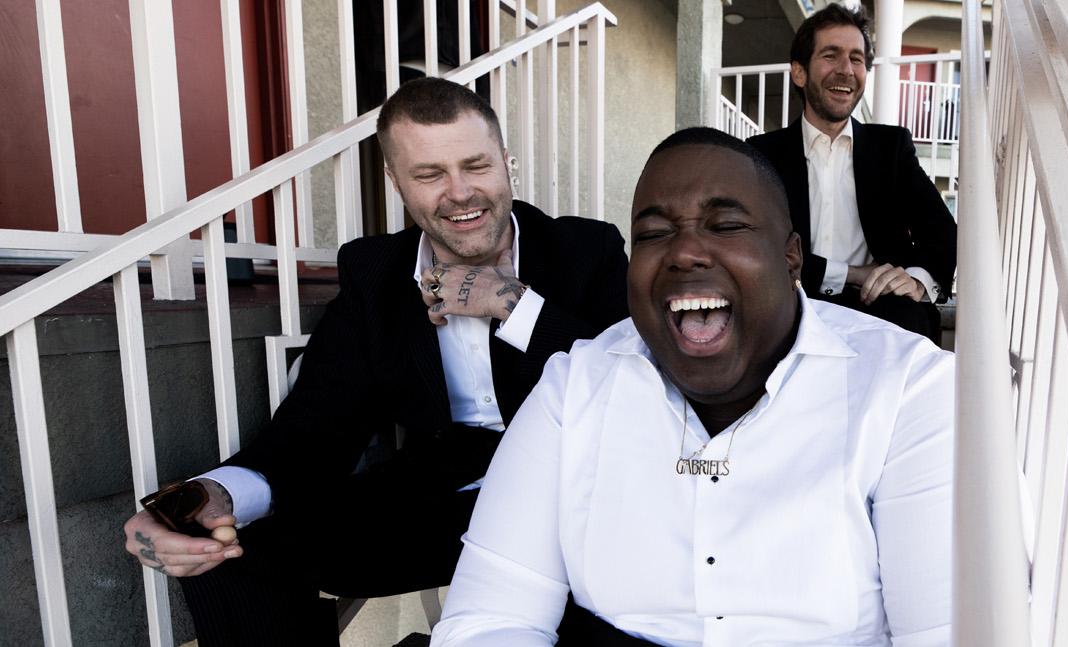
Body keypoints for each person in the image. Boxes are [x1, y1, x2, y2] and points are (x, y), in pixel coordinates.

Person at [120, 77, 629, 646]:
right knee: (236, 550)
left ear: (506, 163)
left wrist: (508, 303)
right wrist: (216, 496)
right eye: (430, 174)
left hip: (575, 500)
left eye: (476, 166)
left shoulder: (587, 250)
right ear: (396, 182)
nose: (460, 193)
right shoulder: (376, 274)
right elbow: (318, 424)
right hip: (444, 505)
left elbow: (632, 385)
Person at [431, 128, 954, 646]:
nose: (684, 253)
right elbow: (490, 617)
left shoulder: (906, 390)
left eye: (726, 225)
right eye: (653, 235)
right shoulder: (574, 388)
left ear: (791, 256)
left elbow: (947, 633)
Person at [747, 4, 957, 344]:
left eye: (857, 59)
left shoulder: (890, 148)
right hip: (792, 304)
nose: (846, 70)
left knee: (908, 319)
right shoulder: (762, 154)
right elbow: (761, 247)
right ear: (799, 72)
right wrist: (854, 274)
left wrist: (917, 280)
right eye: (831, 56)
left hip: (877, 309)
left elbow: (942, 231)